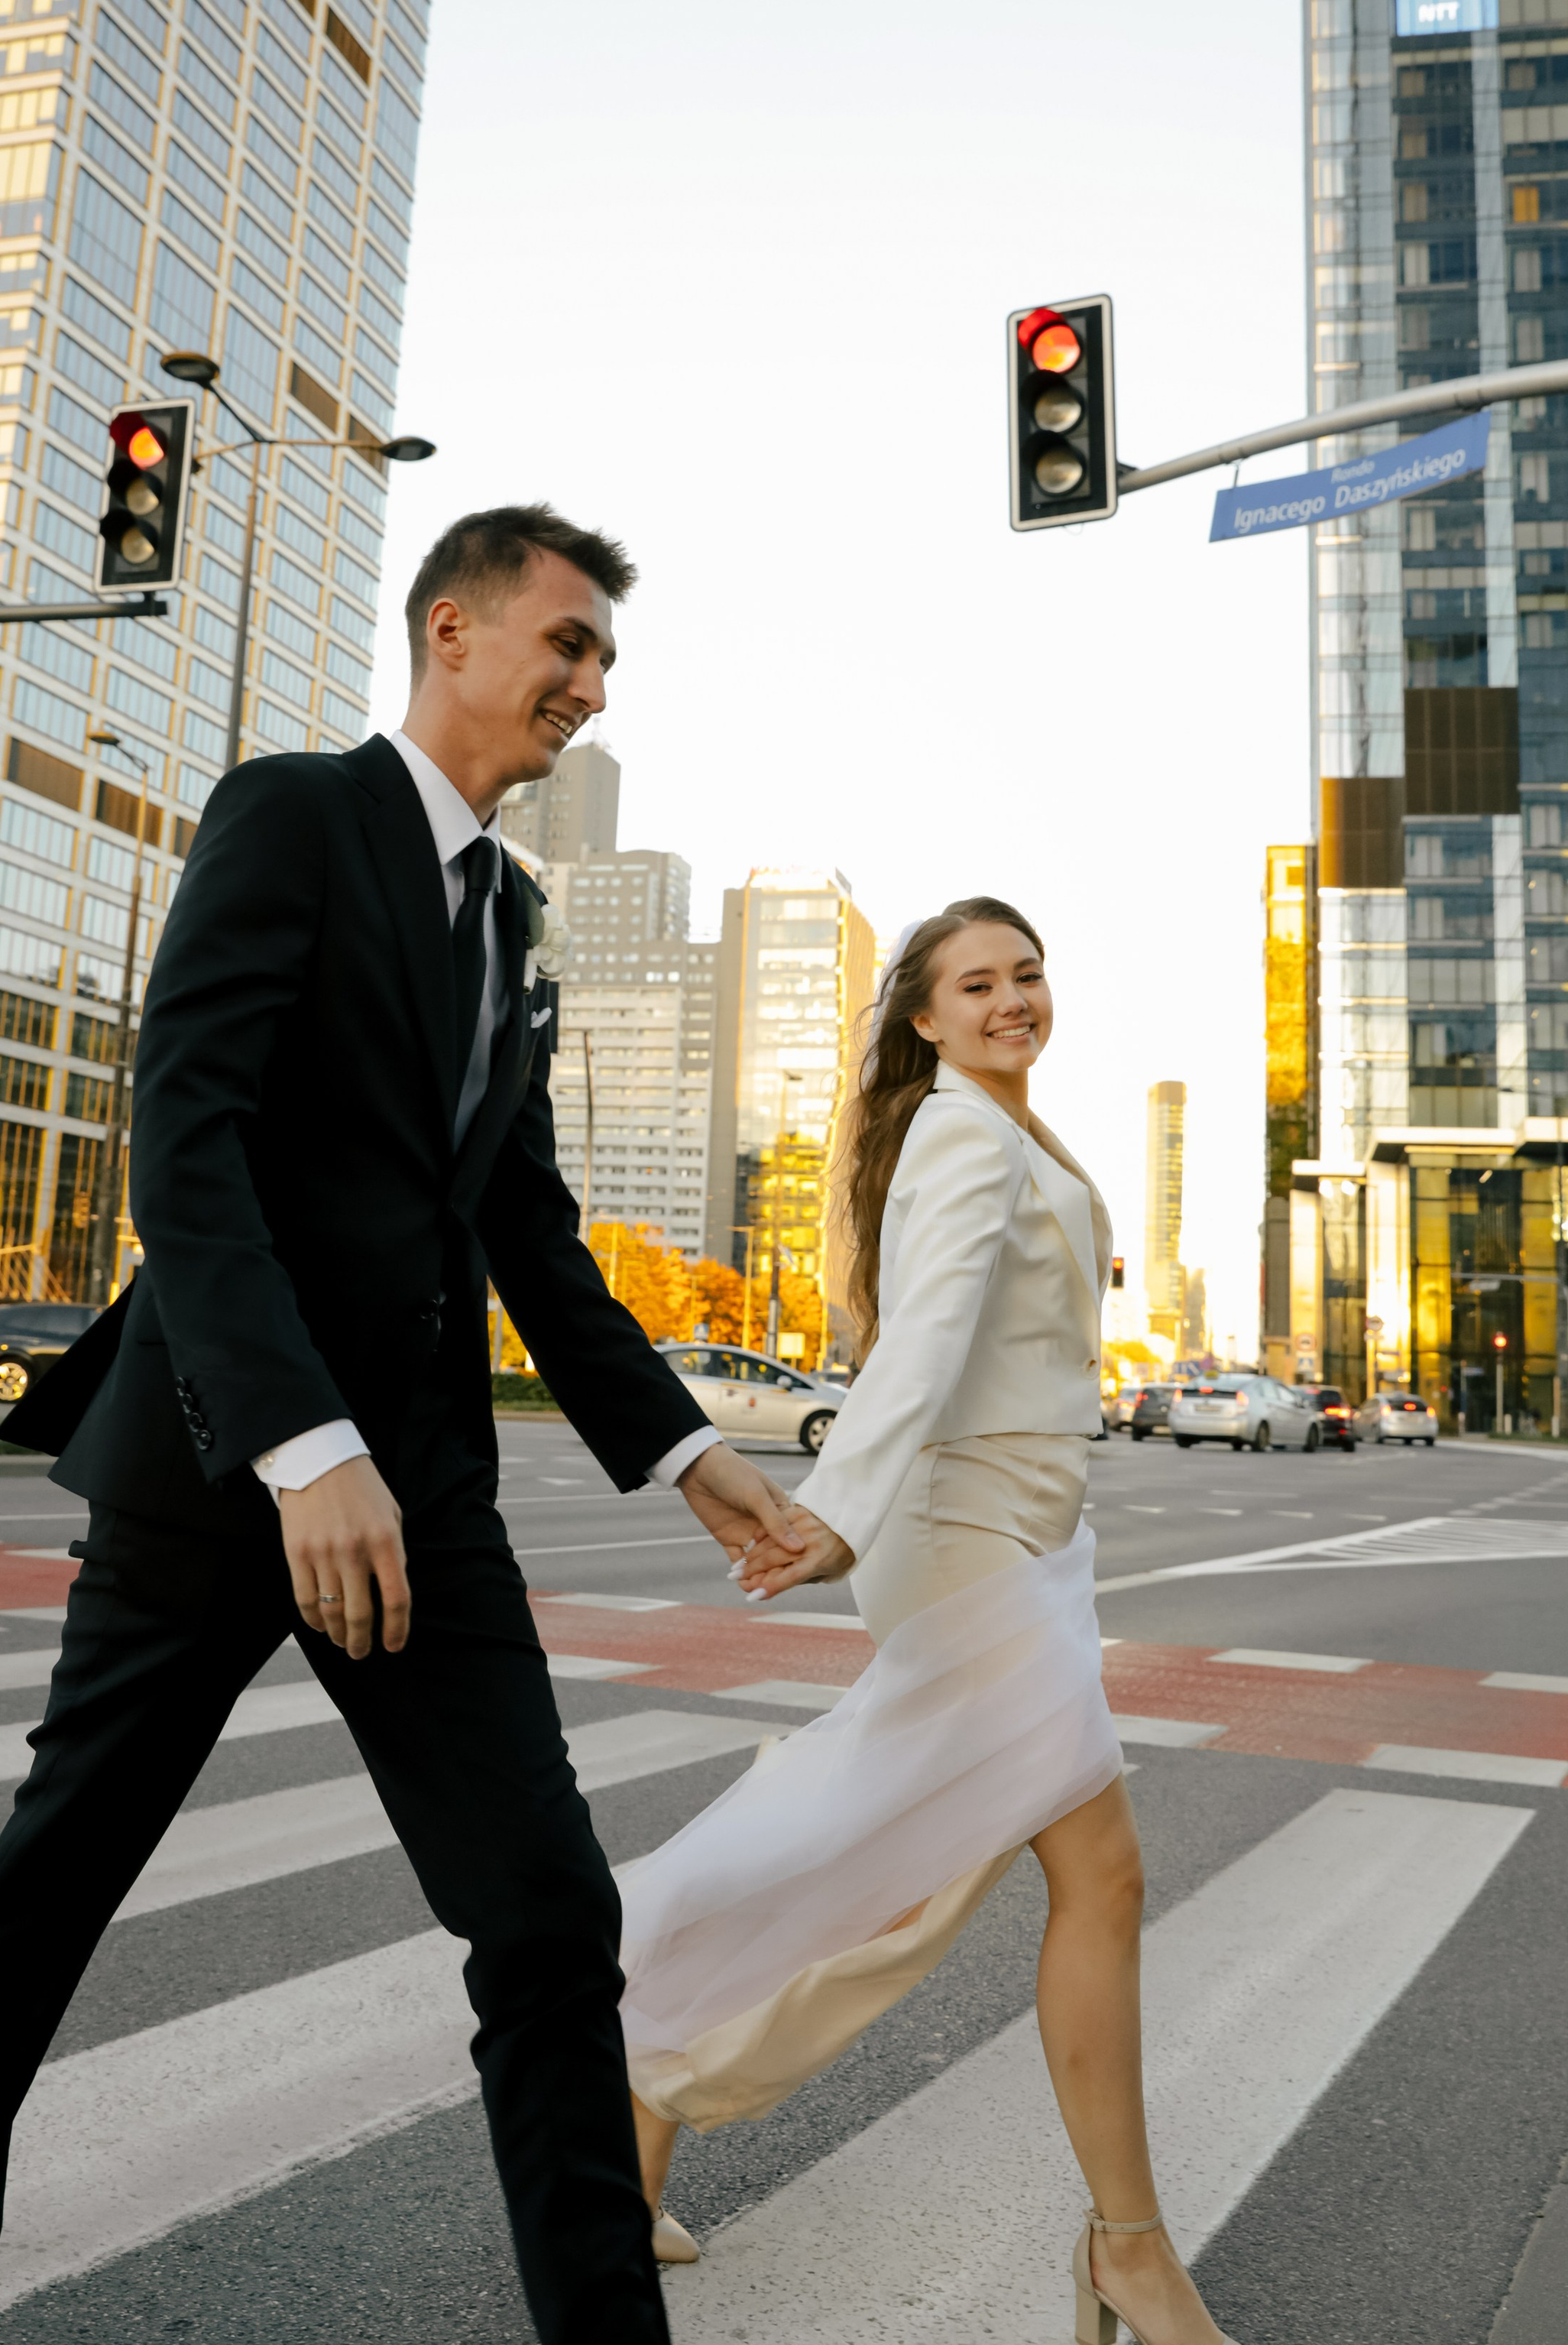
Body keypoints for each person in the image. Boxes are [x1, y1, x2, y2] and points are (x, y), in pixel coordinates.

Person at [0, 504, 795, 2345]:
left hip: (425, 1496)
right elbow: (183, 1138)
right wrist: (301, 1444)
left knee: (543, 1919)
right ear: (453, 630)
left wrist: (694, 1455)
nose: (590, 689)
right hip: (219, 1475)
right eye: (568, 646)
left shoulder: (512, 921)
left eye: (604, 664)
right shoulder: (291, 812)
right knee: (51, 1897)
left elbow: (523, 1228)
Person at [618, 899, 1239, 2345]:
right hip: (966, 1535)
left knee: (903, 1877)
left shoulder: (1017, 1131)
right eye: (978, 983)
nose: (1013, 999)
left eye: (1027, 974)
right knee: (1100, 1875)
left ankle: (638, 2090)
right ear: (926, 1016)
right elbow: (928, 1335)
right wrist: (841, 1506)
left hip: (1024, 1535)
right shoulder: (965, 1134)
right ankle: (1127, 2256)